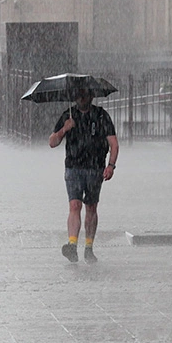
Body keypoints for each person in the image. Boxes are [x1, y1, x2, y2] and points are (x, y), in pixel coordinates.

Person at [49, 89, 118, 263]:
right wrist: (65, 128)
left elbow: (114, 143)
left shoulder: (101, 116)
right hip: (73, 167)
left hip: (95, 168)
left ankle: (89, 247)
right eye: (78, 95)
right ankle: (72, 244)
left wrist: (111, 165)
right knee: (74, 205)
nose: (81, 98)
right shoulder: (68, 115)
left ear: (91, 96)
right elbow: (52, 142)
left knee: (91, 207)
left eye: (85, 95)